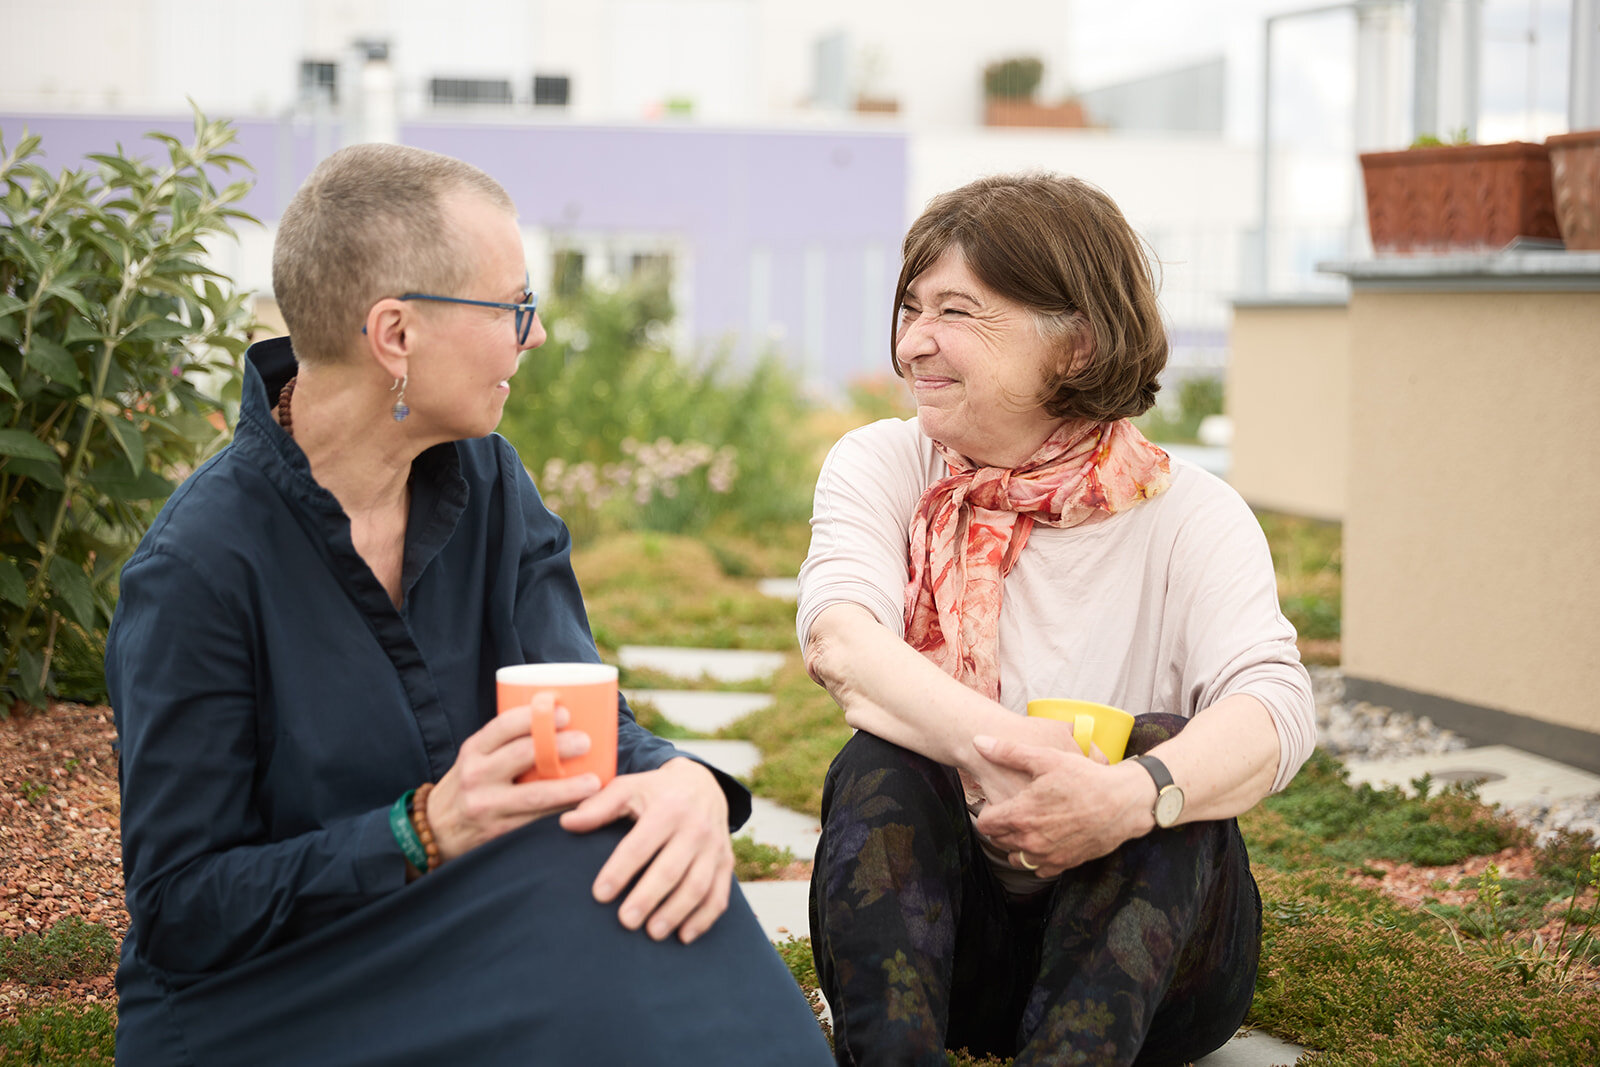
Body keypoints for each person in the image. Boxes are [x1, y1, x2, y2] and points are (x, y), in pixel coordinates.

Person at [106, 143, 830, 1066]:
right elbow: (181, 910)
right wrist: (422, 828)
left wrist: (682, 779)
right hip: (267, 994)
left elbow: (583, 720)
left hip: (462, 922)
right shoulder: (198, 568)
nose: (537, 335)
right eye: (514, 307)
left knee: (648, 854)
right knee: (596, 885)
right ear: (396, 335)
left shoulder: (489, 480)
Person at [798, 173, 1316, 1066]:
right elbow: (842, 639)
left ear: (1077, 344)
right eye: (911, 307)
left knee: (1167, 750)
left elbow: (1275, 708)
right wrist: (1005, 749)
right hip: (949, 945)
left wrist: (1127, 795)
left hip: (1150, 969)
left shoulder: (1191, 512)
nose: (914, 341)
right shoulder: (885, 463)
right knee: (883, 759)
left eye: (956, 311)